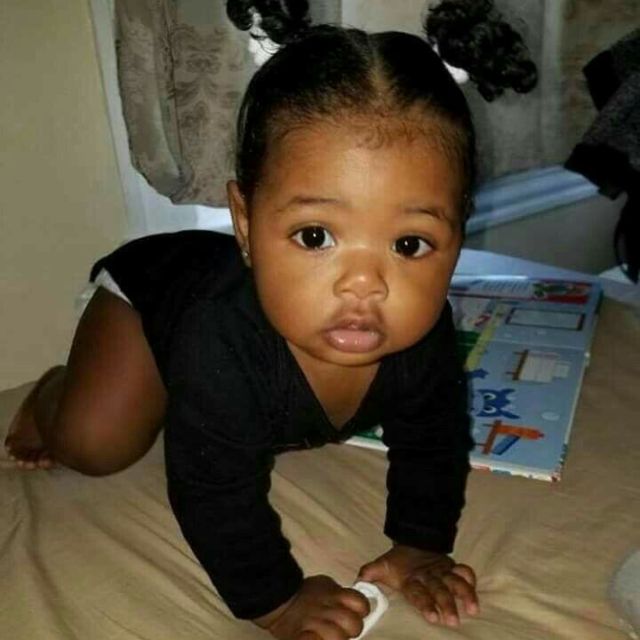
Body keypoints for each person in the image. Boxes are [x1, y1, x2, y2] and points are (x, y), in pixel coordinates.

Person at [5, 1, 536, 638]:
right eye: (315, 236)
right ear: (246, 223)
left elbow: (433, 439)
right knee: (96, 446)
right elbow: (212, 490)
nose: (365, 284)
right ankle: (52, 394)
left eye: (409, 244)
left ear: (458, 236)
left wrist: (420, 546)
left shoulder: (424, 336)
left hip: (211, 325)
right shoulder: (218, 340)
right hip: (147, 300)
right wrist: (277, 602)